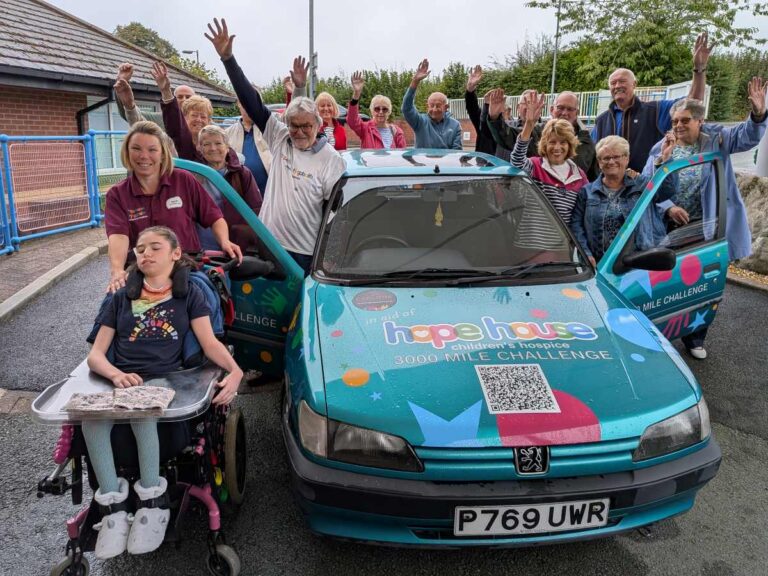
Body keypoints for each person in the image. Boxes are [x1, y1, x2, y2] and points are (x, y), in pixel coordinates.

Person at [82, 226, 243, 559]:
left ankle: (152, 504)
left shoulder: (190, 296)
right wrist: (115, 374)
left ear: (174, 253)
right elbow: (95, 355)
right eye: (140, 249)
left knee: (143, 412)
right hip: (121, 378)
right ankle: (112, 511)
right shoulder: (118, 299)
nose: (145, 254)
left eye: (155, 247)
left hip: (164, 378)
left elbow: (210, 343)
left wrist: (236, 371)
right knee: (91, 423)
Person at [642, 77, 768, 359]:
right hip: (670, 228)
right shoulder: (663, 145)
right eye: (675, 120)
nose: (678, 126)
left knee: (705, 283)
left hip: (709, 227)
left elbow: (747, 136)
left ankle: (695, 336)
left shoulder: (717, 140)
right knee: (668, 280)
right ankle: (662, 330)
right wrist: (668, 206)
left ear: (700, 121)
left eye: (685, 120)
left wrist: (759, 113)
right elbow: (648, 184)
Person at [206, 19, 345, 274]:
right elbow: (252, 102)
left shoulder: (331, 159)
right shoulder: (281, 138)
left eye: (306, 126)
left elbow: (334, 212)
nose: (299, 132)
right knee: (270, 309)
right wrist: (228, 59)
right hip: (269, 242)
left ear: (318, 124)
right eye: (294, 125)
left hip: (305, 252)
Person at [104, 121, 241, 293]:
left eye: (152, 149)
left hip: (186, 268)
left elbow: (214, 216)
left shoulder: (183, 180)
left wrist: (224, 241)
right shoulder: (117, 194)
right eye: (136, 148)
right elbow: (118, 236)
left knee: (205, 303)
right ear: (127, 151)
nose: (143, 156)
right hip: (143, 271)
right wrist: (117, 270)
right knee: (113, 307)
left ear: (162, 153)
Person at [592, 32, 713, 172]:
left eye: (622, 81)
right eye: (613, 83)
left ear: (634, 84)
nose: (617, 85)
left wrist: (699, 69)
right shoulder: (601, 120)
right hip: (613, 188)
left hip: (647, 187)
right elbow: (591, 153)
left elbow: (693, 103)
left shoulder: (655, 110)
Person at [570, 135, 676, 267]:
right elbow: (576, 226)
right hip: (602, 265)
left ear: (627, 158)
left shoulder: (641, 185)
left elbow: (667, 192)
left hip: (640, 262)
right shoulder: (586, 192)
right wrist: (585, 253)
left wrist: (665, 158)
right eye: (606, 158)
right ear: (599, 162)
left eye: (616, 157)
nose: (611, 161)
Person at [505, 90, 589, 225]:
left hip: (563, 245)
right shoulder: (535, 166)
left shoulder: (579, 176)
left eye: (563, 142)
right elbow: (517, 161)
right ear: (544, 143)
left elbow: (585, 211)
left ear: (570, 146)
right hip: (530, 244)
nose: (557, 148)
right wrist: (529, 124)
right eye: (552, 142)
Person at [196, 124, 263, 250]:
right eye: (206, 144)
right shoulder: (195, 174)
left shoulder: (242, 173)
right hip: (202, 243)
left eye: (218, 143)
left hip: (234, 243)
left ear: (227, 147)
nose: (213, 148)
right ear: (200, 148)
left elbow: (256, 208)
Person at [402, 59, 463, 149]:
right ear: (427, 106)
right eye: (431, 105)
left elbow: (456, 152)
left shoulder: (455, 125)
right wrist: (415, 81)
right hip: (423, 163)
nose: (434, 109)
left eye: (438, 106)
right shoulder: (419, 121)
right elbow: (406, 108)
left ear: (446, 107)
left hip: (445, 163)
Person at [113, 63, 196, 128]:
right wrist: (121, 82)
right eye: (180, 97)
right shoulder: (159, 119)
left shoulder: (204, 121)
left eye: (188, 97)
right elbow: (130, 114)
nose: (184, 99)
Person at [225, 91, 272, 193]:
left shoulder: (270, 129)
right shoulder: (227, 134)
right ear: (238, 103)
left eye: (254, 102)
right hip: (242, 196)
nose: (250, 106)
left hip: (270, 194)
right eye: (245, 101)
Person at [346, 71, 406, 149]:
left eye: (384, 109)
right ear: (372, 111)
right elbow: (352, 121)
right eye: (377, 109)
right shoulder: (366, 129)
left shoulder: (397, 132)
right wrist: (356, 94)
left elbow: (402, 156)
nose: (381, 112)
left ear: (389, 112)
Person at [550, 91, 599, 180]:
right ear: (551, 109)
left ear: (577, 113)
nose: (564, 113)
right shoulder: (537, 133)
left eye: (570, 109)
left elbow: (593, 178)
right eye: (560, 108)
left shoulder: (586, 143)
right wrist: (529, 124)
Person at [486, 88, 543, 159]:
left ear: (540, 108)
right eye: (526, 103)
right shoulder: (507, 126)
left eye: (533, 103)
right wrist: (494, 117)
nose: (529, 107)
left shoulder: (546, 130)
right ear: (518, 107)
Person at [464, 65, 496, 155]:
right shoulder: (484, 123)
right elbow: (472, 108)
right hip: (483, 167)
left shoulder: (511, 127)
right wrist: (470, 90)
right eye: (490, 104)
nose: (494, 107)